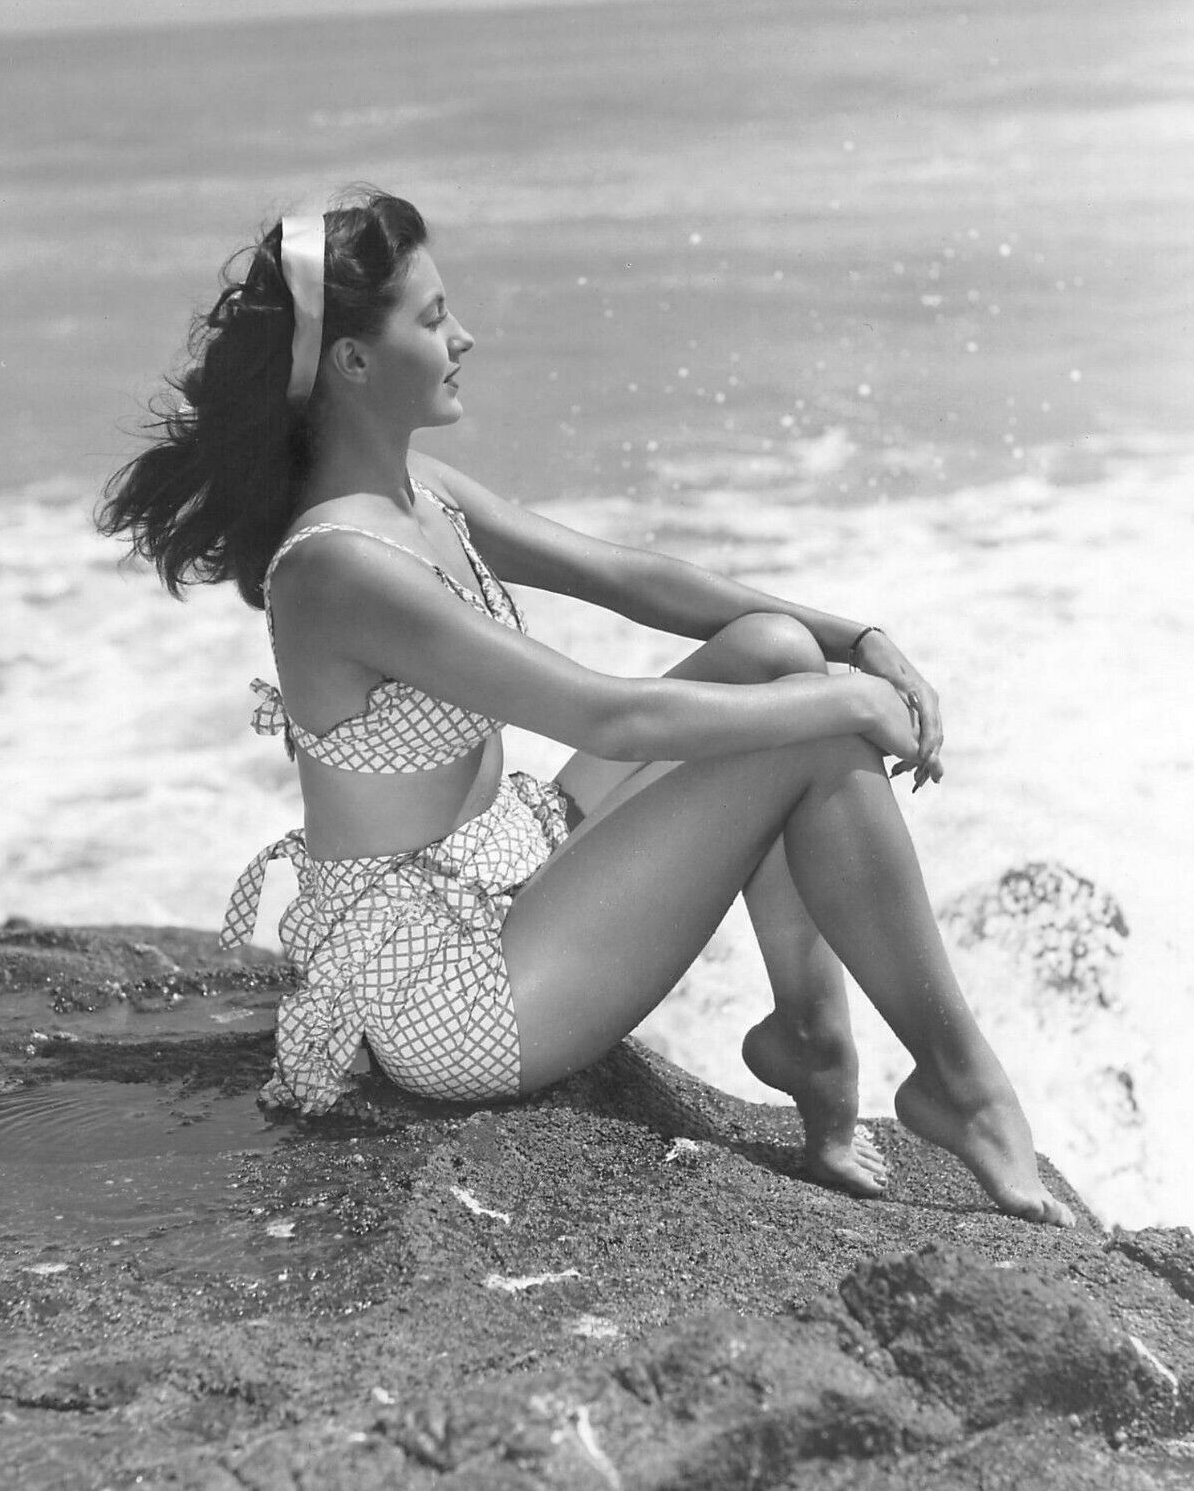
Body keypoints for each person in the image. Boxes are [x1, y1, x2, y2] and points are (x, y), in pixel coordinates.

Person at [98, 190, 1072, 1227]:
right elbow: (611, 721)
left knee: (775, 655)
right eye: (433, 318)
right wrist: (851, 702)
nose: (464, 338)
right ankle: (960, 1081)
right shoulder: (341, 565)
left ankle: (810, 1039)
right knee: (816, 729)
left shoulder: (420, 494)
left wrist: (851, 639)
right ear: (353, 362)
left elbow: (625, 576)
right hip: (446, 991)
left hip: (499, 869)